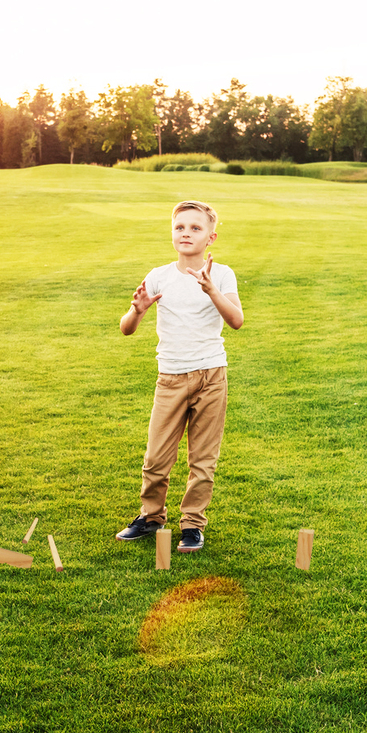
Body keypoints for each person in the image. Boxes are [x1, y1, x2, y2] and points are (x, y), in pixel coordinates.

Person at [113, 199, 244, 553]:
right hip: (170, 377)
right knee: (156, 458)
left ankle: (192, 526)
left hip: (212, 375)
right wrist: (137, 311)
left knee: (202, 458)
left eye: (195, 228)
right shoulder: (158, 275)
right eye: (180, 227)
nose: (186, 233)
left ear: (211, 237)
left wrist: (211, 289)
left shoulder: (222, 274)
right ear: (172, 233)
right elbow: (126, 328)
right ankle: (151, 517)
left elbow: (236, 320)